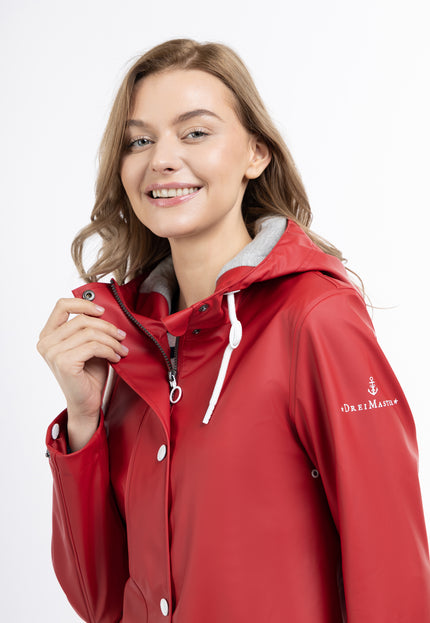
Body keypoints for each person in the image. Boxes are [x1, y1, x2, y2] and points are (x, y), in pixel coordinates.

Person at [37, 39, 430, 622]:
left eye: (195, 133)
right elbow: (101, 601)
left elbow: (392, 568)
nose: (162, 159)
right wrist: (84, 421)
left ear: (256, 153)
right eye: (139, 141)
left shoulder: (315, 318)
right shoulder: (132, 341)